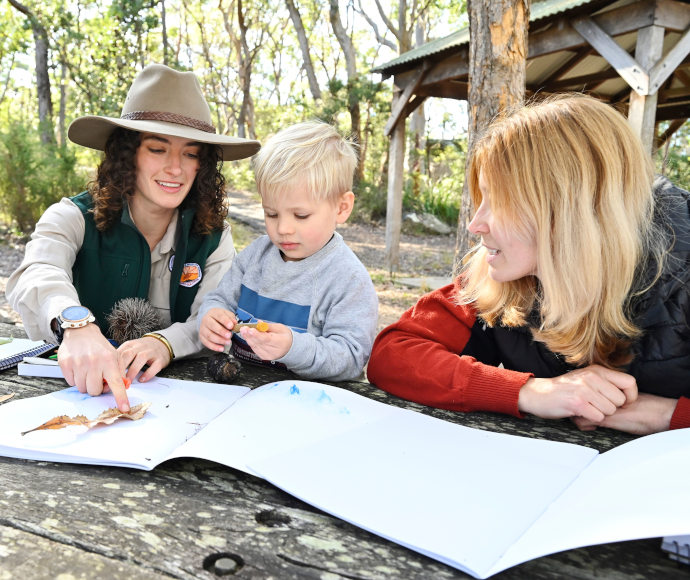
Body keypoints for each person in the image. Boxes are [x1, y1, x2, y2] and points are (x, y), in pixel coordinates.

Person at [367, 93, 690, 435]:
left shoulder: (680, 267)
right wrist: (532, 392)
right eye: (482, 198)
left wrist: (659, 414)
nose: (474, 224)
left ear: (567, 209)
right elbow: (394, 354)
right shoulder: (501, 273)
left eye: (499, 202)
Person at [7, 64, 260, 412]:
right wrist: (75, 324)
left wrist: (165, 343)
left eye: (190, 153)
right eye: (158, 149)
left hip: (178, 409)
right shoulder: (73, 218)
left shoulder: (214, 239)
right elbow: (37, 272)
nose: (176, 168)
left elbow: (213, 313)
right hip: (73, 404)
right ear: (128, 154)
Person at [198, 121, 378, 381]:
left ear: (341, 208)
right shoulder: (256, 255)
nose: (283, 228)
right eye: (271, 213)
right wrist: (211, 316)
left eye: (301, 215)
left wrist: (293, 348)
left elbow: (350, 358)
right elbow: (221, 299)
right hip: (242, 394)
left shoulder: (348, 279)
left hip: (308, 403)